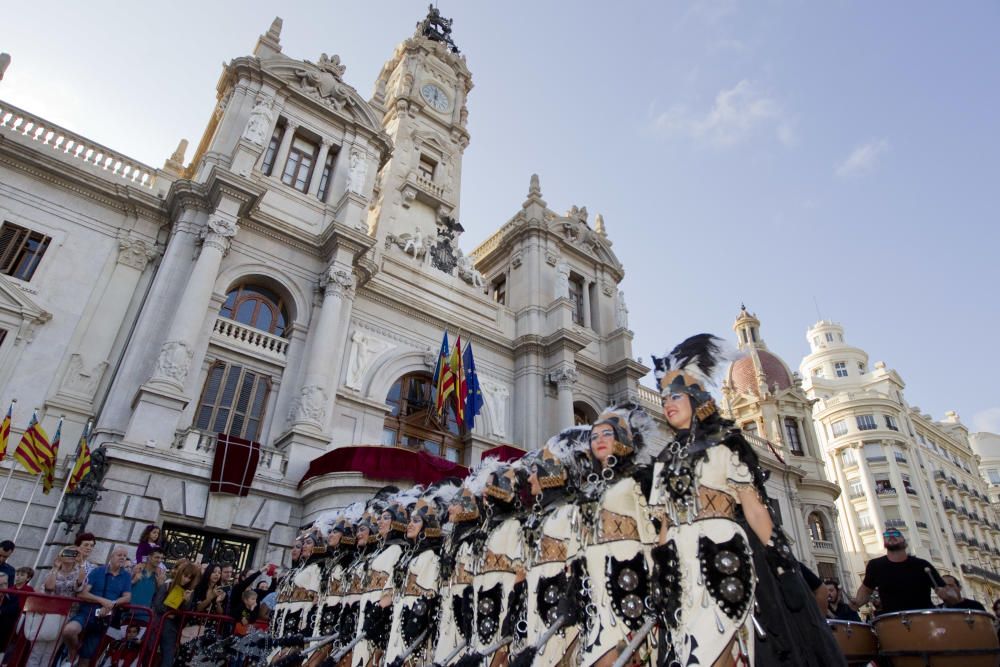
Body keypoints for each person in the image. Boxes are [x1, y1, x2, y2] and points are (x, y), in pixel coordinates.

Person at [650, 334, 844, 666]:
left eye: (677, 394)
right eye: (664, 395)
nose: (668, 401)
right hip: (682, 565)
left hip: (726, 556)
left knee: (722, 645)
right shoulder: (664, 459)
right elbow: (664, 524)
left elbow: (754, 510)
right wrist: (661, 571)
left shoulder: (726, 445)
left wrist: (784, 569)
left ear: (698, 399)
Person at [580, 404, 658, 667]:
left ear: (622, 438)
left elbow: (654, 535)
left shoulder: (641, 479)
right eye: (594, 436)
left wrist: (659, 582)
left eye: (606, 434)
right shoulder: (587, 491)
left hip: (629, 582)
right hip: (593, 589)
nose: (599, 440)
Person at [850, 528, 949, 615]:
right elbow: (866, 590)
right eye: (887, 535)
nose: (891, 536)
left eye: (896, 534)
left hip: (922, 616)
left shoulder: (922, 565)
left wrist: (947, 594)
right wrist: (857, 602)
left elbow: (945, 590)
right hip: (891, 619)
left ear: (904, 541)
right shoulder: (875, 565)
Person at [63, 545, 132, 667]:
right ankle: (73, 649)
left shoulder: (126, 576)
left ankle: (80, 654)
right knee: (69, 631)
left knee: (86, 658)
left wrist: (112, 603)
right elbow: (83, 593)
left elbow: (127, 597)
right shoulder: (98, 571)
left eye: (124, 556)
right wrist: (102, 601)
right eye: (119, 555)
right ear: (111, 557)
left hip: (104, 618)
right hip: (87, 612)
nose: (122, 558)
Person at [153, 559, 200, 667]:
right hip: (158, 623)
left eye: (189, 578)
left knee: (168, 658)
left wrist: (186, 601)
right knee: (150, 653)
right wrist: (168, 612)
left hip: (172, 628)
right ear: (180, 573)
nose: (186, 579)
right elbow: (157, 604)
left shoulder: (189, 592)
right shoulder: (168, 585)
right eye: (185, 575)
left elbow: (185, 613)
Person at [129, 547, 165, 616]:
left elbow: (158, 599)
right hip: (128, 613)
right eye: (157, 557)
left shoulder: (160, 575)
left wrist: (160, 586)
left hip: (146, 616)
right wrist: (133, 580)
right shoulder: (137, 569)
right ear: (149, 557)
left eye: (161, 558)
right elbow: (123, 589)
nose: (159, 560)